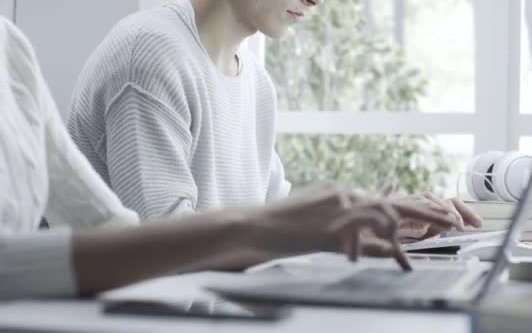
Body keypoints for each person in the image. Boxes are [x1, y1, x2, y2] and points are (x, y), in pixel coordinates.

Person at [0, 17, 477, 300]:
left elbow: (116, 233)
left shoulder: (12, 50)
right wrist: (269, 228)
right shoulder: (148, 53)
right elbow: (158, 245)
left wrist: (361, 221)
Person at [66, 0, 482, 236]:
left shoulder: (256, 82)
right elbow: (164, 247)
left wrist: (375, 220)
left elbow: (276, 212)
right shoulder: (151, 54)